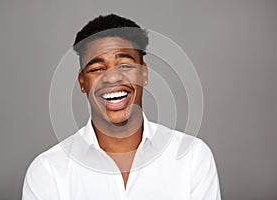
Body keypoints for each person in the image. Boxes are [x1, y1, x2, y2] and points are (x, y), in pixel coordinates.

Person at [22, 14, 221, 199]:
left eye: (125, 65)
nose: (112, 78)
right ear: (82, 82)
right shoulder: (48, 171)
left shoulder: (193, 158)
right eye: (97, 68)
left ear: (144, 74)